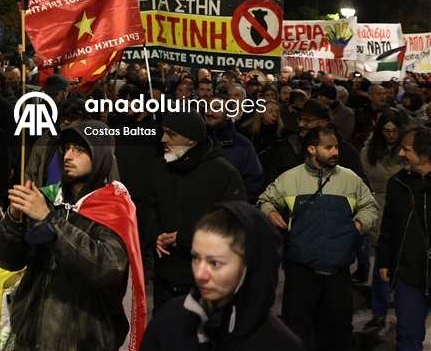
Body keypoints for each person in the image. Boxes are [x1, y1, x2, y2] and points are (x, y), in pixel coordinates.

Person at [0, 126, 133, 351]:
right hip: (29, 336)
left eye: (79, 150)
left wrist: (50, 223)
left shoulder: (113, 207)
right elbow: (5, 260)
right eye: (66, 148)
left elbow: (106, 267)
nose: (67, 156)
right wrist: (13, 220)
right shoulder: (48, 197)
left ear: (100, 156)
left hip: (81, 342)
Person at [257, 125, 378, 351]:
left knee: (339, 328)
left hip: (338, 268)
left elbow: (370, 206)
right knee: (297, 327)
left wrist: (358, 225)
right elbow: (265, 199)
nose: (335, 152)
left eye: (336, 147)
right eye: (328, 147)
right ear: (311, 149)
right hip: (300, 268)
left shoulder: (350, 179)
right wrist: (271, 212)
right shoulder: (290, 179)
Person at [141, 204, 304, 351]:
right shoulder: (168, 321)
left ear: (249, 266)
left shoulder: (281, 344)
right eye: (196, 258)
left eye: (215, 263)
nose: (199, 274)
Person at [141, 112, 247, 312]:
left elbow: (233, 224)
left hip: (206, 284)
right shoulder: (159, 168)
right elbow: (147, 206)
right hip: (165, 279)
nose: (163, 139)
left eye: (171, 134)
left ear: (191, 139)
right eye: (164, 132)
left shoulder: (224, 173)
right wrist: (154, 234)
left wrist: (185, 237)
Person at [378, 126, 431, 351]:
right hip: (408, 275)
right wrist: (384, 260)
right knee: (408, 337)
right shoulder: (397, 183)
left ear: (425, 155)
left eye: (405, 149)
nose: (400, 154)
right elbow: (388, 225)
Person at [359, 110, 405, 328]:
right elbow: (363, 180)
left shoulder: (406, 151)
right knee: (381, 259)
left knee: (405, 257)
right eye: (386, 131)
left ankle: (405, 305)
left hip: (404, 206)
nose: (391, 135)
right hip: (378, 205)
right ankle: (380, 309)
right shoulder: (369, 152)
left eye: (395, 131)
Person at [203, 96, 264, 203]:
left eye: (217, 108)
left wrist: (233, 205)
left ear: (229, 114)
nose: (209, 112)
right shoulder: (195, 140)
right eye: (208, 107)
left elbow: (254, 181)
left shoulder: (243, 145)